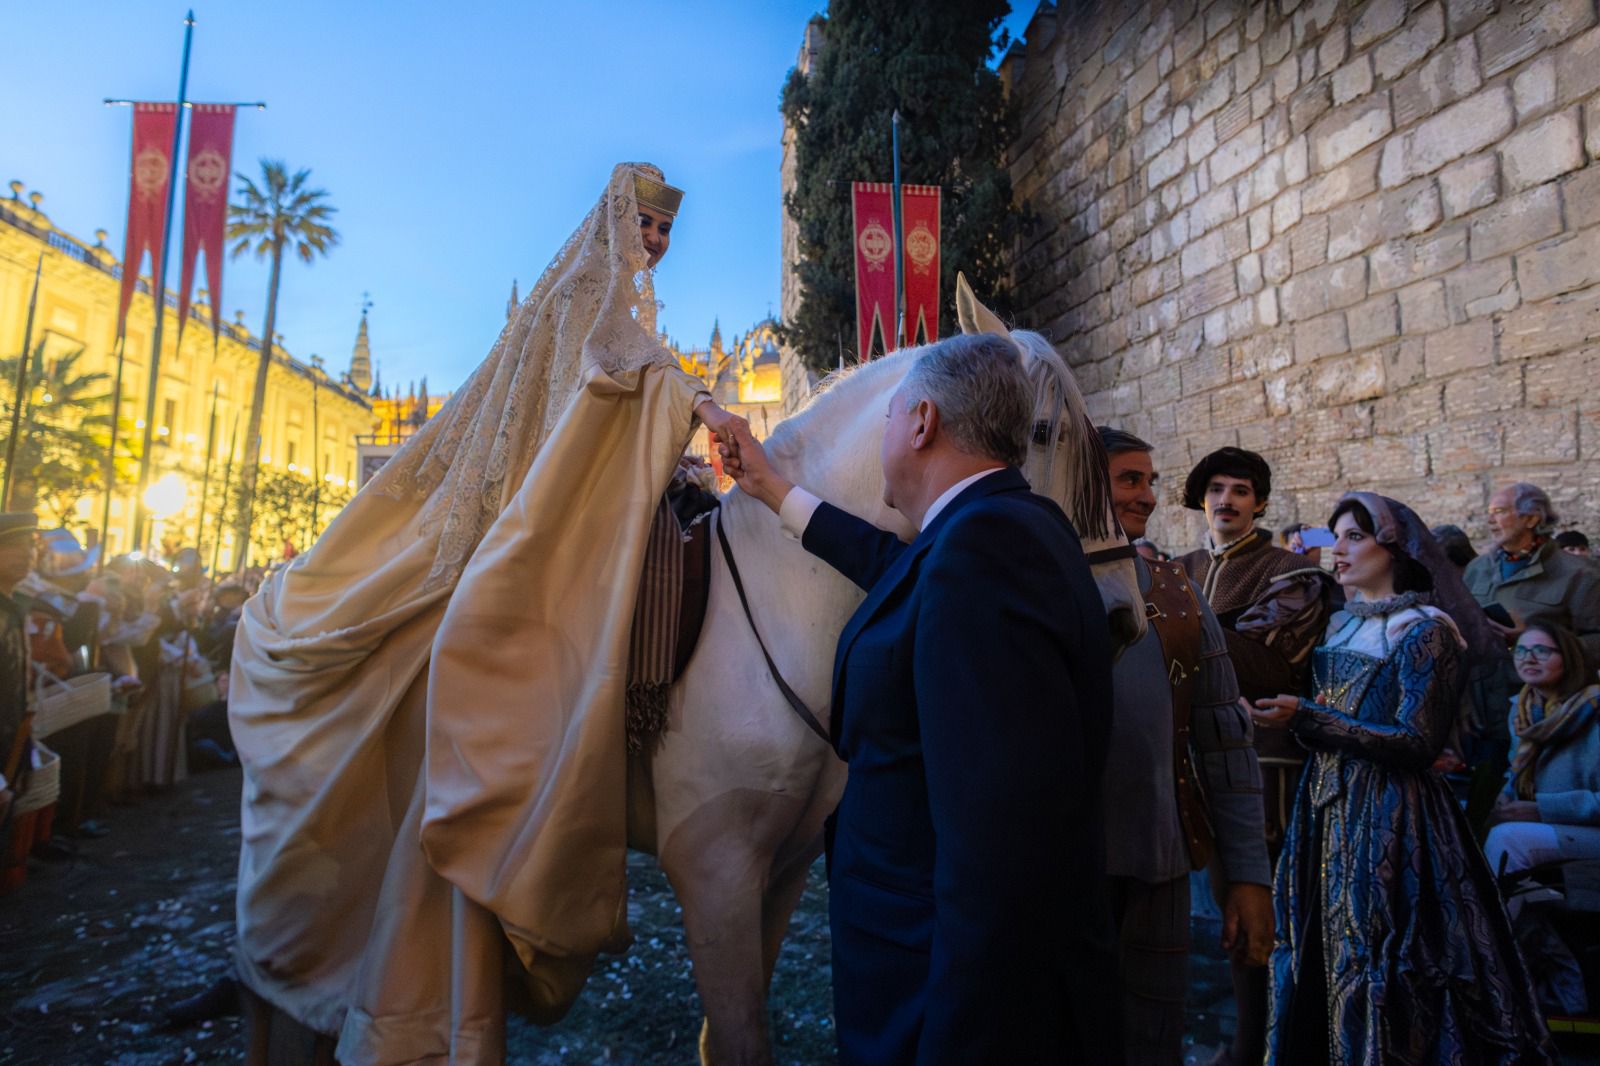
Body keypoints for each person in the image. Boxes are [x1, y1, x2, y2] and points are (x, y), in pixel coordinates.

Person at [229, 164, 743, 1062]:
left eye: (664, 231)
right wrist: (699, 402)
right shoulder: (583, 298)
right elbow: (616, 362)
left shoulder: (618, 307)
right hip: (512, 536)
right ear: (616, 222)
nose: (655, 243)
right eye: (646, 224)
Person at [721, 335, 1121, 1064]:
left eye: (887, 420)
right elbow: (903, 576)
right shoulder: (993, 535)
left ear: (921, 423)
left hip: (932, 1000)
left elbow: (996, 860)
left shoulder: (985, 554)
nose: (880, 439)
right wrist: (776, 490)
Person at [1256, 493, 1554, 1063]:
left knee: (1385, 951)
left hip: (1392, 817)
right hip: (1326, 807)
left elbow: (1417, 743)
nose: (1336, 551)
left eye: (1353, 537)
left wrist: (1310, 717)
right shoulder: (1342, 624)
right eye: (1334, 536)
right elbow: (1331, 715)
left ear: (1393, 548)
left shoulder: (1425, 629)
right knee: (1320, 941)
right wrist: (1295, 720)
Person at [1098, 426, 1271, 1065]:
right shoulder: (1028, 582)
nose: (1145, 496)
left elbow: (1225, 739)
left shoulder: (1176, 588)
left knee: (1150, 1043)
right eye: (1128, 479)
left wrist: (1249, 875)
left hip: (1159, 865)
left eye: (1150, 482)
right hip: (1057, 869)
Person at [1172, 447, 1330, 1066]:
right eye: (1217, 489)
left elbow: (1266, 666)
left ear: (1260, 502)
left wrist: (1179, 622)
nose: (1227, 501)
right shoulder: (1179, 567)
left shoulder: (1290, 571)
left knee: (1267, 908)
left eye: (1241, 491)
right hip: (1185, 760)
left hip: (1264, 766)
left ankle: (1267, 1043)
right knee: (1207, 913)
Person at [1464, 483, 1600, 752]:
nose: (1490, 520)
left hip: (1548, 716)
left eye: (1500, 511)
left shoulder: (1579, 574)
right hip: (1481, 711)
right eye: (1489, 512)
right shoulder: (1477, 569)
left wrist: (1535, 642)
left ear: (1532, 518)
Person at [1485, 619, 1600, 875]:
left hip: (1590, 830)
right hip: (1555, 824)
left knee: (1509, 840)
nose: (1529, 659)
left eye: (1542, 651)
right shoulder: (1522, 710)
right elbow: (1517, 770)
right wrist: (1507, 796)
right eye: (1521, 651)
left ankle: (1487, 916)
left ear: (1569, 658)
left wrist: (1543, 809)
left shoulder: (1593, 709)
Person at [0, 514, 38, 828]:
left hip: (9, 746)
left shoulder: (14, 608)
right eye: (13, 546)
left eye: (29, 545)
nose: (25, 553)